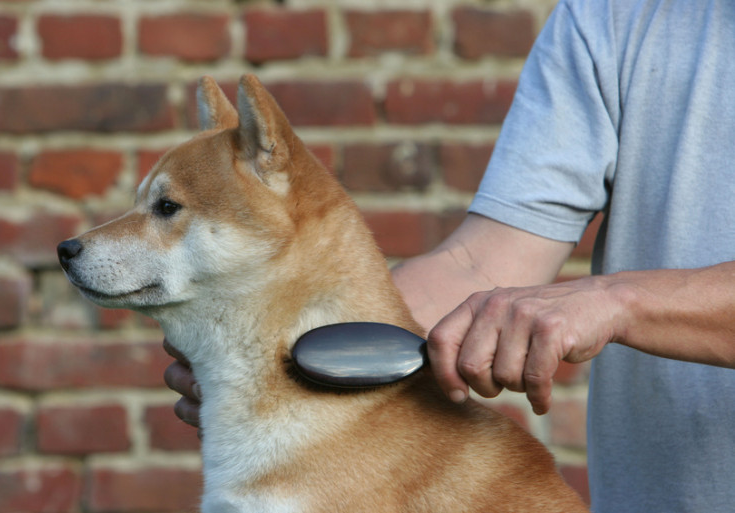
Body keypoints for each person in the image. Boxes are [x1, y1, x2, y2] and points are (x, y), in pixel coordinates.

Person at [164, 0, 735, 511]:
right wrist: (296, 348)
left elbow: (611, 302)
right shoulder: (612, 16)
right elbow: (482, 266)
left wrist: (620, 301)